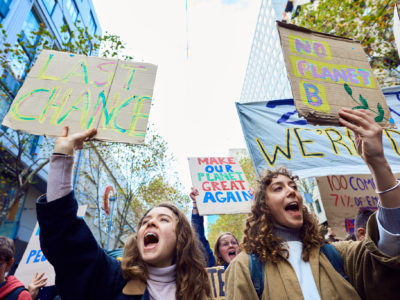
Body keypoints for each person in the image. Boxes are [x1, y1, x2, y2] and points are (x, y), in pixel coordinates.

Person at [225, 109, 400, 300]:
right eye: (278, 188)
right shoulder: (245, 267)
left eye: (293, 186)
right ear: (263, 208)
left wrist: (378, 162)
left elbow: (388, 248)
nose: (292, 191)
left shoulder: (336, 255)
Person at [36, 126, 211, 300]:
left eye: (164, 219)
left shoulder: (197, 294)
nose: (150, 223)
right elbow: (67, 239)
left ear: (181, 238)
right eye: (145, 221)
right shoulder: (111, 279)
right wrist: (62, 155)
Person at [190, 188, 240, 268]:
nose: (231, 245)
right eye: (225, 244)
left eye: (234, 243)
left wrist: (254, 201)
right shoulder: (213, 266)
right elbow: (199, 238)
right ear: (219, 253)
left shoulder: (250, 267)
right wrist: (196, 203)